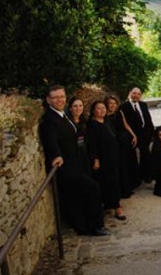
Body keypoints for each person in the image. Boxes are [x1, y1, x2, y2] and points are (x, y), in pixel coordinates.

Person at [39, 85, 108, 236]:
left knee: (76, 196)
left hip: (77, 162)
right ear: (48, 100)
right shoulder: (50, 120)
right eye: (55, 97)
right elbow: (50, 141)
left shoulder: (62, 115)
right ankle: (96, 225)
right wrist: (56, 155)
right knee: (92, 188)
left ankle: (82, 227)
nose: (59, 100)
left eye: (62, 96)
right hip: (65, 166)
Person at [87, 100, 126, 221]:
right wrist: (96, 159)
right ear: (93, 110)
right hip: (103, 158)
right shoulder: (92, 124)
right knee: (109, 182)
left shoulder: (107, 120)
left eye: (103, 108)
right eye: (99, 108)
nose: (102, 110)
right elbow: (92, 144)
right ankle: (117, 208)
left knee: (114, 180)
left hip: (113, 156)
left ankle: (111, 203)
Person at [119, 87, 155, 184]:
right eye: (134, 93)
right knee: (132, 158)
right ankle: (135, 178)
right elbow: (124, 124)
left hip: (144, 135)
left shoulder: (143, 105)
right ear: (130, 93)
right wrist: (130, 135)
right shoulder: (123, 107)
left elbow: (148, 119)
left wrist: (151, 133)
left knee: (146, 155)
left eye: (138, 94)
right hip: (131, 135)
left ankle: (146, 175)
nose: (136, 95)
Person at [105, 94, 138, 198]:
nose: (112, 105)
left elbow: (126, 124)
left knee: (127, 164)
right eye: (110, 103)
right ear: (106, 104)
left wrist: (133, 135)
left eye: (114, 103)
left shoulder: (119, 112)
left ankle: (128, 187)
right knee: (119, 166)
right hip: (115, 144)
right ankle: (122, 191)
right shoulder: (104, 115)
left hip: (125, 142)